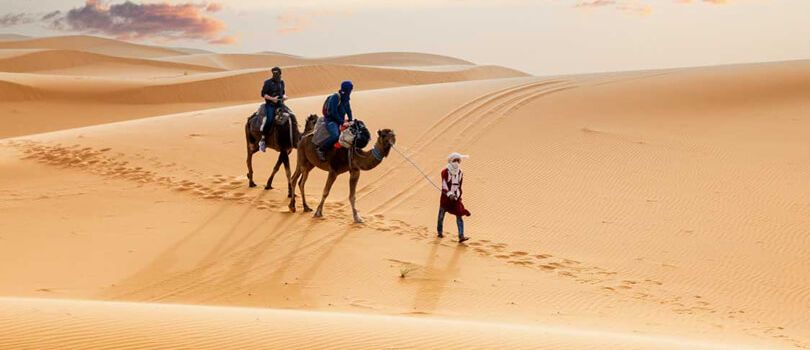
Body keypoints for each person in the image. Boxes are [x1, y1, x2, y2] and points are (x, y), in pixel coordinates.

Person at [438, 152, 471, 243]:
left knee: (459, 215)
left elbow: (459, 185)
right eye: (454, 160)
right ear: (451, 161)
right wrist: (449, 194)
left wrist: (458, 195)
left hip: (456, 198)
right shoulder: (445, 172)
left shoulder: (460, 173)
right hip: (446, 198)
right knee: (441, 215)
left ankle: (461, 236)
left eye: (458, 160)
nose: (456, 162)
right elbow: (444, 185)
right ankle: (439, 232)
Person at [317, 80, 354, 161]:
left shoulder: (346, 98)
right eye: (350, 89)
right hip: (331, 121)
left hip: (341, 121)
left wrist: (351, 120)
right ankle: (321, 149)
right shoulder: (335, 97)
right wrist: (342, 122)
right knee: (335, 136)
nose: (351, 91)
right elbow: (333, 112)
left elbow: (348, 110)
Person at [259, 66, 286, 152]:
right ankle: (263, 139)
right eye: (274, 73)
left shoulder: (281, 83)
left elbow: (283, 93)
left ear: (280, 74)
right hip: (270, 105)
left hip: (280, 104)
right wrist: (272, 99)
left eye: (277, 73)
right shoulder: (268, 83)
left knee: (291, 116)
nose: (275, 75)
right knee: (269, 119)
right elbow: (263, 94)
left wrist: (285, 97)